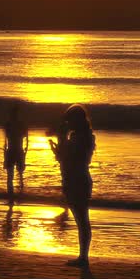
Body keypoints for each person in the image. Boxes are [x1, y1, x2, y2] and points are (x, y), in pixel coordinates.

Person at [50, 104, 96, 268]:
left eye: (70, 120)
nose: (68, 123)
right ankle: (83, 256)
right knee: (81, 219)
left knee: (82, 219)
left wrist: (61, 140)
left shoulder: (80, 138)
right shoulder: (84, 136)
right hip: (77, 178)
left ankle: (83, 257)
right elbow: (67, 158)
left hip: (77, 179)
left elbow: (70, 158)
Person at [3, 104, 29, 206]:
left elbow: (6, 140)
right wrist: (26, 150)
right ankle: (19, 196)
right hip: (17, 150)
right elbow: (26, 138)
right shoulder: (20, 124)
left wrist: (4, 152)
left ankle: (12, 196)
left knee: (11, 175)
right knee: (19, 174)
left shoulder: (8, 125)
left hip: (13, 150)